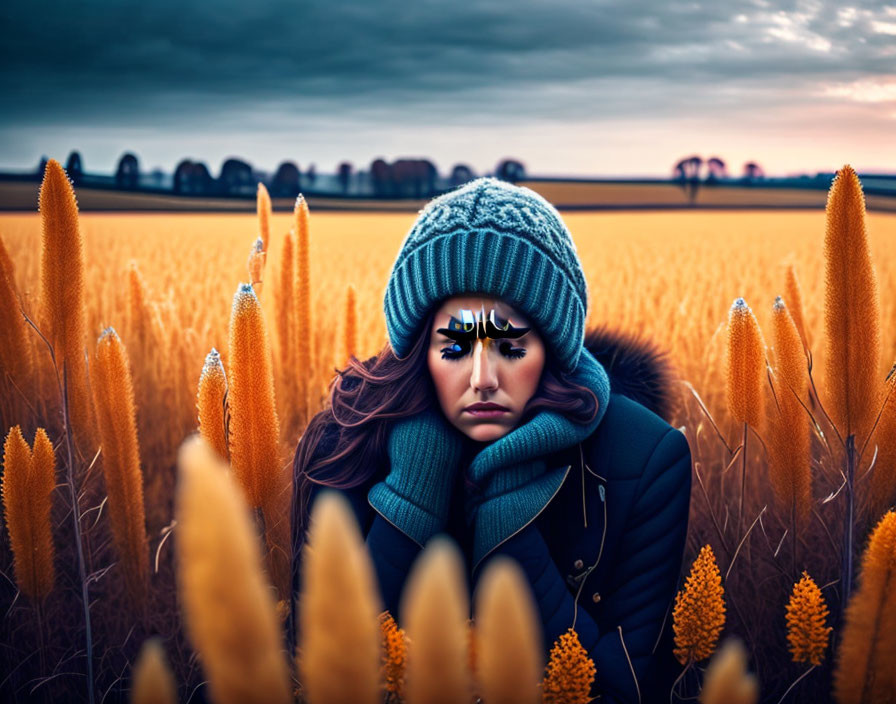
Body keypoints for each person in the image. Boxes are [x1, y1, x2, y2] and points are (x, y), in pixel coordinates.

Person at [290, 176, 692, 703]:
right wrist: (408, 499)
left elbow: (628, 689)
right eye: (455, 347)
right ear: (419, 350)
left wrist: (513, 531)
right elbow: (320, 672)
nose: (483, 376)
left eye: (510, 346)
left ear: (551, 349)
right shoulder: (345, 443)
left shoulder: (644, 461)